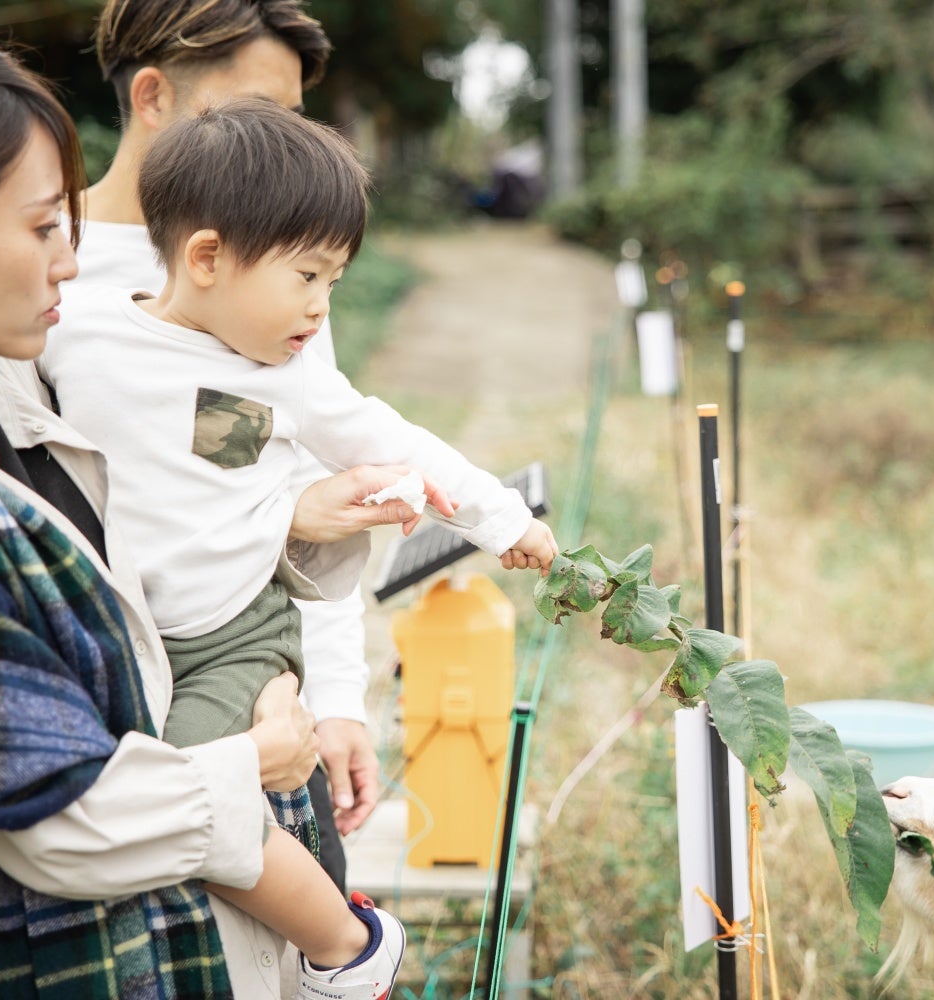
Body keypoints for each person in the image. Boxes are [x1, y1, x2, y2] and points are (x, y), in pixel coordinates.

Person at [0, 22, 417, 999]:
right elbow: (68, 815)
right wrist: (252, 756)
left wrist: (278, 655)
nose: (71, 257)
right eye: (40, 227)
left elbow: (185, 534)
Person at [38, 96, 556, 995]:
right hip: (131, 640)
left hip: (232, 637)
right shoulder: (73, 329)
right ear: (204, 258)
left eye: (334, 282)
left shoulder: (287, 379)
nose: (320, 309)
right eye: (307, 277)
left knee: (191, 797)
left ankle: (344, 946)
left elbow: (394, 440)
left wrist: (502, 518)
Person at [50, 0, 386, 888]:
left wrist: (338, 699)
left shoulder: (278, 265)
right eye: (257, 115)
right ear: (154, 95)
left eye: (294, 121)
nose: (279, 147)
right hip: (114, 711)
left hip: (257, 690)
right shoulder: (42, 269)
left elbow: (316, 472)